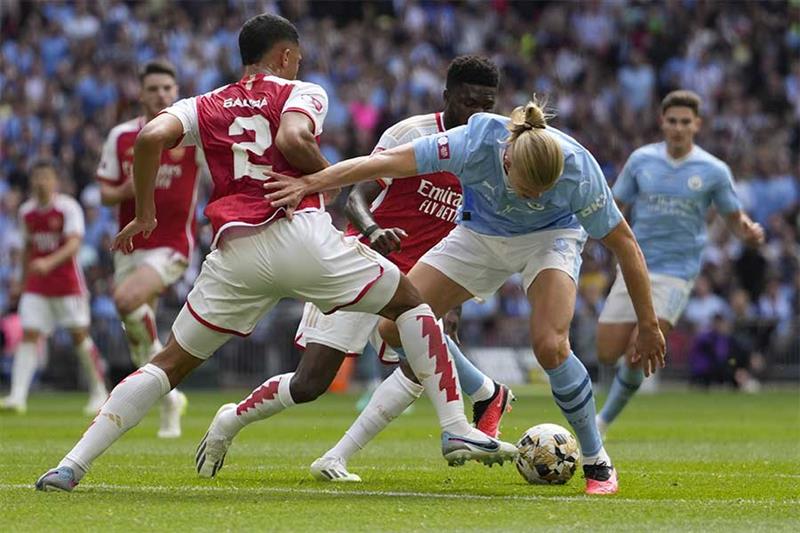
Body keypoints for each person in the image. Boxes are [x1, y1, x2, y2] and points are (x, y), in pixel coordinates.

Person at [35, 13, 516, 493]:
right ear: (285, 56)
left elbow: (148, 138)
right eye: (297, 58)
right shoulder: (301, 91)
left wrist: (143, 214)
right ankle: (455, 427)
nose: (298, 64)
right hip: (299, 233)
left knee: (169, 363)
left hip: (234, 252)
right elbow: (291, 137)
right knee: (411, 303)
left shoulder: (202, 103)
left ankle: (71, 466)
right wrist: (325, 179)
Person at [261, 98, 668, 496]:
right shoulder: (471, 144)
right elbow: (382, 163)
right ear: (506, 161)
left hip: (550, 240)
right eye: (527, 191)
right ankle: (486, 392)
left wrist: (648, 324)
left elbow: (626, 245)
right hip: (479, 237)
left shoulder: (578, 171)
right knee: (393, 328)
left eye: (543, 193)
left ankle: (597, 460)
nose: (533, 200)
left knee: (551, 346)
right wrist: (311, 182)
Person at [196, 55, 513, 482]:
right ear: (447, 97)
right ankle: (230, 420)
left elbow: (466, 229)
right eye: (468, 101)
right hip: (359, 267)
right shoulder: (413, 134)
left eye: (486, 104)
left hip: (418, 281)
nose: (477, 112)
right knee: (310, 384)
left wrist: (453, 296)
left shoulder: (490, 153)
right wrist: (374, 229)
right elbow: (355, 196)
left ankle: (338, 457)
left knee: (421, 367)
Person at [594, 90, 764, 437]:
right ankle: (603, 410)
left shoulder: (713, 170)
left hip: (677, 273)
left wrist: (745, 231)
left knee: (640, 350)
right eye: (672, 121)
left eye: (685, 122)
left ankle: (602, 422)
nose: (678, 128)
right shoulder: (641, 160)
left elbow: (733, 216)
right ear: (662, 122)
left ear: (697, 125)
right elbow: (614, 205)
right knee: (606, 351)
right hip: (635, 265)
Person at [96, 60, 205, 438]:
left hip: (172, 243)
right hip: (130, 245)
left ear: (176, 93)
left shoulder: (191, 133)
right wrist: (128, 189)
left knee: (125, 300)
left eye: (167, 89)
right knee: (138, 338)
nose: (161, 94)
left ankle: (167, 392)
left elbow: (218, 175)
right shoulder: (122, 137)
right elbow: (105, 193)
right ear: (141, 94)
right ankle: (169, 404)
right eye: (154, 89)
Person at [0, 160, 108, 415]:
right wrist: (21, 280)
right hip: (37, 285)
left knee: (79, 335)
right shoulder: (26, 212)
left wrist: (48, 262)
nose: (41, 182)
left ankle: (99, 390)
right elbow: (27, 249)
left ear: (54, 181)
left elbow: (73, 245)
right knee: (29, 334)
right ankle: (17, 395)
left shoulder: (67, 208)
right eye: (37, 178)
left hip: (67, 283)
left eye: (46, 177)